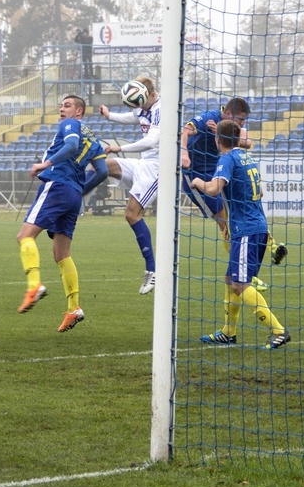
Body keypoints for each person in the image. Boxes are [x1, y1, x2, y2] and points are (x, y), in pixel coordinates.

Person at [190, 119, 291, 349]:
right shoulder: (247, 157)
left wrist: (197, 182)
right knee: (230, 279)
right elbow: (261, 191)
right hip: (256, 227)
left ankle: (278, 331)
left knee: (239, 284)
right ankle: (228, 332)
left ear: (217, 140)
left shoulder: (227, 159)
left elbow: (214, 189)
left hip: (246, 231)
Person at [16, 94, 107, 332]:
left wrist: (46, 164)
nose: (62, 110)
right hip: (73, 195)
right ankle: (74, 307)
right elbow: (102, 171)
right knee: (61, 253)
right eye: (61, 106)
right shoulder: (95, 140)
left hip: (56, 185)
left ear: (79, 111)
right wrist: (79, 190)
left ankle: (34, 285)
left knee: (25, 236)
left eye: (67, 105)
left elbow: (71, 145)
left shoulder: (71, 125)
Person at [180, 97, 288, 291]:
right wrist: (184, 153)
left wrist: (221, 132)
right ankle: (243, 269)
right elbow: (185, 130)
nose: (242, 123)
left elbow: (247, 142)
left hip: (217, 173)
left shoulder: (228, 127)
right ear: (229, 113)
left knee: (241, 211)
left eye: (244, 120)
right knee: (224, 218)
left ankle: (266, 252)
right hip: (194, 175)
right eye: (241, 119)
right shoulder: (208, 117)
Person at [99, 76, 161, 294]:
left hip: (156, 168)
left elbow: (151, 141)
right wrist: (109, 116)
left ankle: (153, 271)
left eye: (140, 102)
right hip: (143, 163)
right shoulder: (143, 107)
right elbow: (131, 117)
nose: (138, 108)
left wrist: (119, 148)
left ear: (151, 95)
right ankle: (74, 197)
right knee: (103, 166)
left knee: (132, 214)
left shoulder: (160, 109)